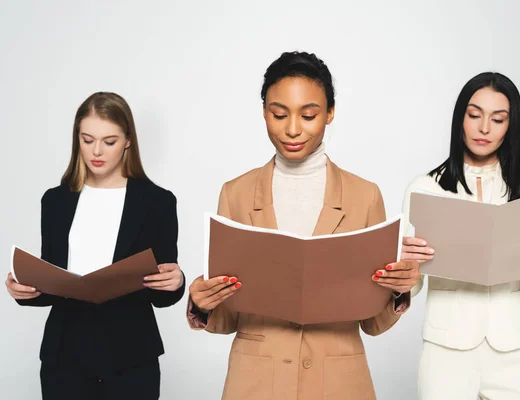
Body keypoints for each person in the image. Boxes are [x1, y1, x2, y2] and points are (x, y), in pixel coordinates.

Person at [187, 51, 420, 400]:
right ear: (264, 110)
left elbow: (373, 323)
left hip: (339, 381)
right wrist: (202, 303)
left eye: (308, 115)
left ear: (330, 113)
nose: (292, 129)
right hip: (256, 381)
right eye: (278, 114)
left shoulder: (365, 195)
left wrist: (399, 289)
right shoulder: (235, 194)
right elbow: (228, 318)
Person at [400, 72, 520, 399]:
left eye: (497, 119)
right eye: (474, 115)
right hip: (446, 351)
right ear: (460, 119)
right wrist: (406, 264)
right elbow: (409, 287)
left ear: (511, 127)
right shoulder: (425, 189)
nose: (484, 128)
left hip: (514, 351)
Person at [5, 92, 185, 400]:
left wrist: (176, 281)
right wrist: (24, 290)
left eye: (109, 141)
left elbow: (163, 293)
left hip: (131, 360)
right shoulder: (56, 201)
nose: (96, 151)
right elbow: (52, 281)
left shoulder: (158, 202)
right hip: (65, 359)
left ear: (128, 140)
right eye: (87, 140)